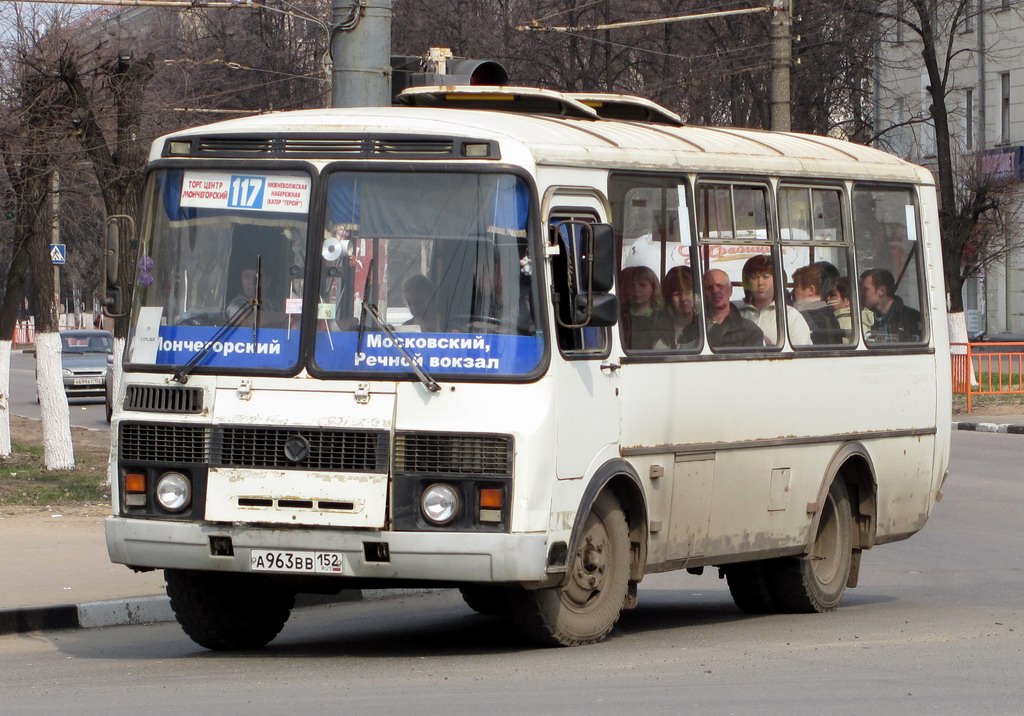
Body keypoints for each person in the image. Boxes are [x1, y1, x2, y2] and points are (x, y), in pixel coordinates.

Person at [738, 254, 811, 346]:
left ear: (777, 281)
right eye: (755, 277)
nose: (760, 283)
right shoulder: (738, 316)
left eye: (765, 277)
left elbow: (802, 355)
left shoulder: (790, 316)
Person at [702, 269, 764, 348]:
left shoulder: (751, 332)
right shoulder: (693, 328)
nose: (715, 291)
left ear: (730, 290)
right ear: (702, 293)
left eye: (720, 286)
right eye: (709, 287)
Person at [861, 267, 921, 343]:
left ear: (881, 291)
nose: (862, 294)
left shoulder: (911, 319)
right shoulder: (866, 318)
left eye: (865, 289)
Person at [619, 265, 673, 350]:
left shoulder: (663, 319)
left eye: (642, 285)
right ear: (625, 289)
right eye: (631, 286)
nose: (636, 289)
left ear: (653, 288)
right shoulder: (618, 317)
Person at [792, 264, 842, 344]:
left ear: (811, 290)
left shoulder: (803, 316)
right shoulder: (829, 313)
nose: (793, 292)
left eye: (796, 287)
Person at [661, 265, 699, 348]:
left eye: (688, 292)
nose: (683, 298)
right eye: (677, 294)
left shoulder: (707, 328)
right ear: (668, 298)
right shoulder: (657, 328)